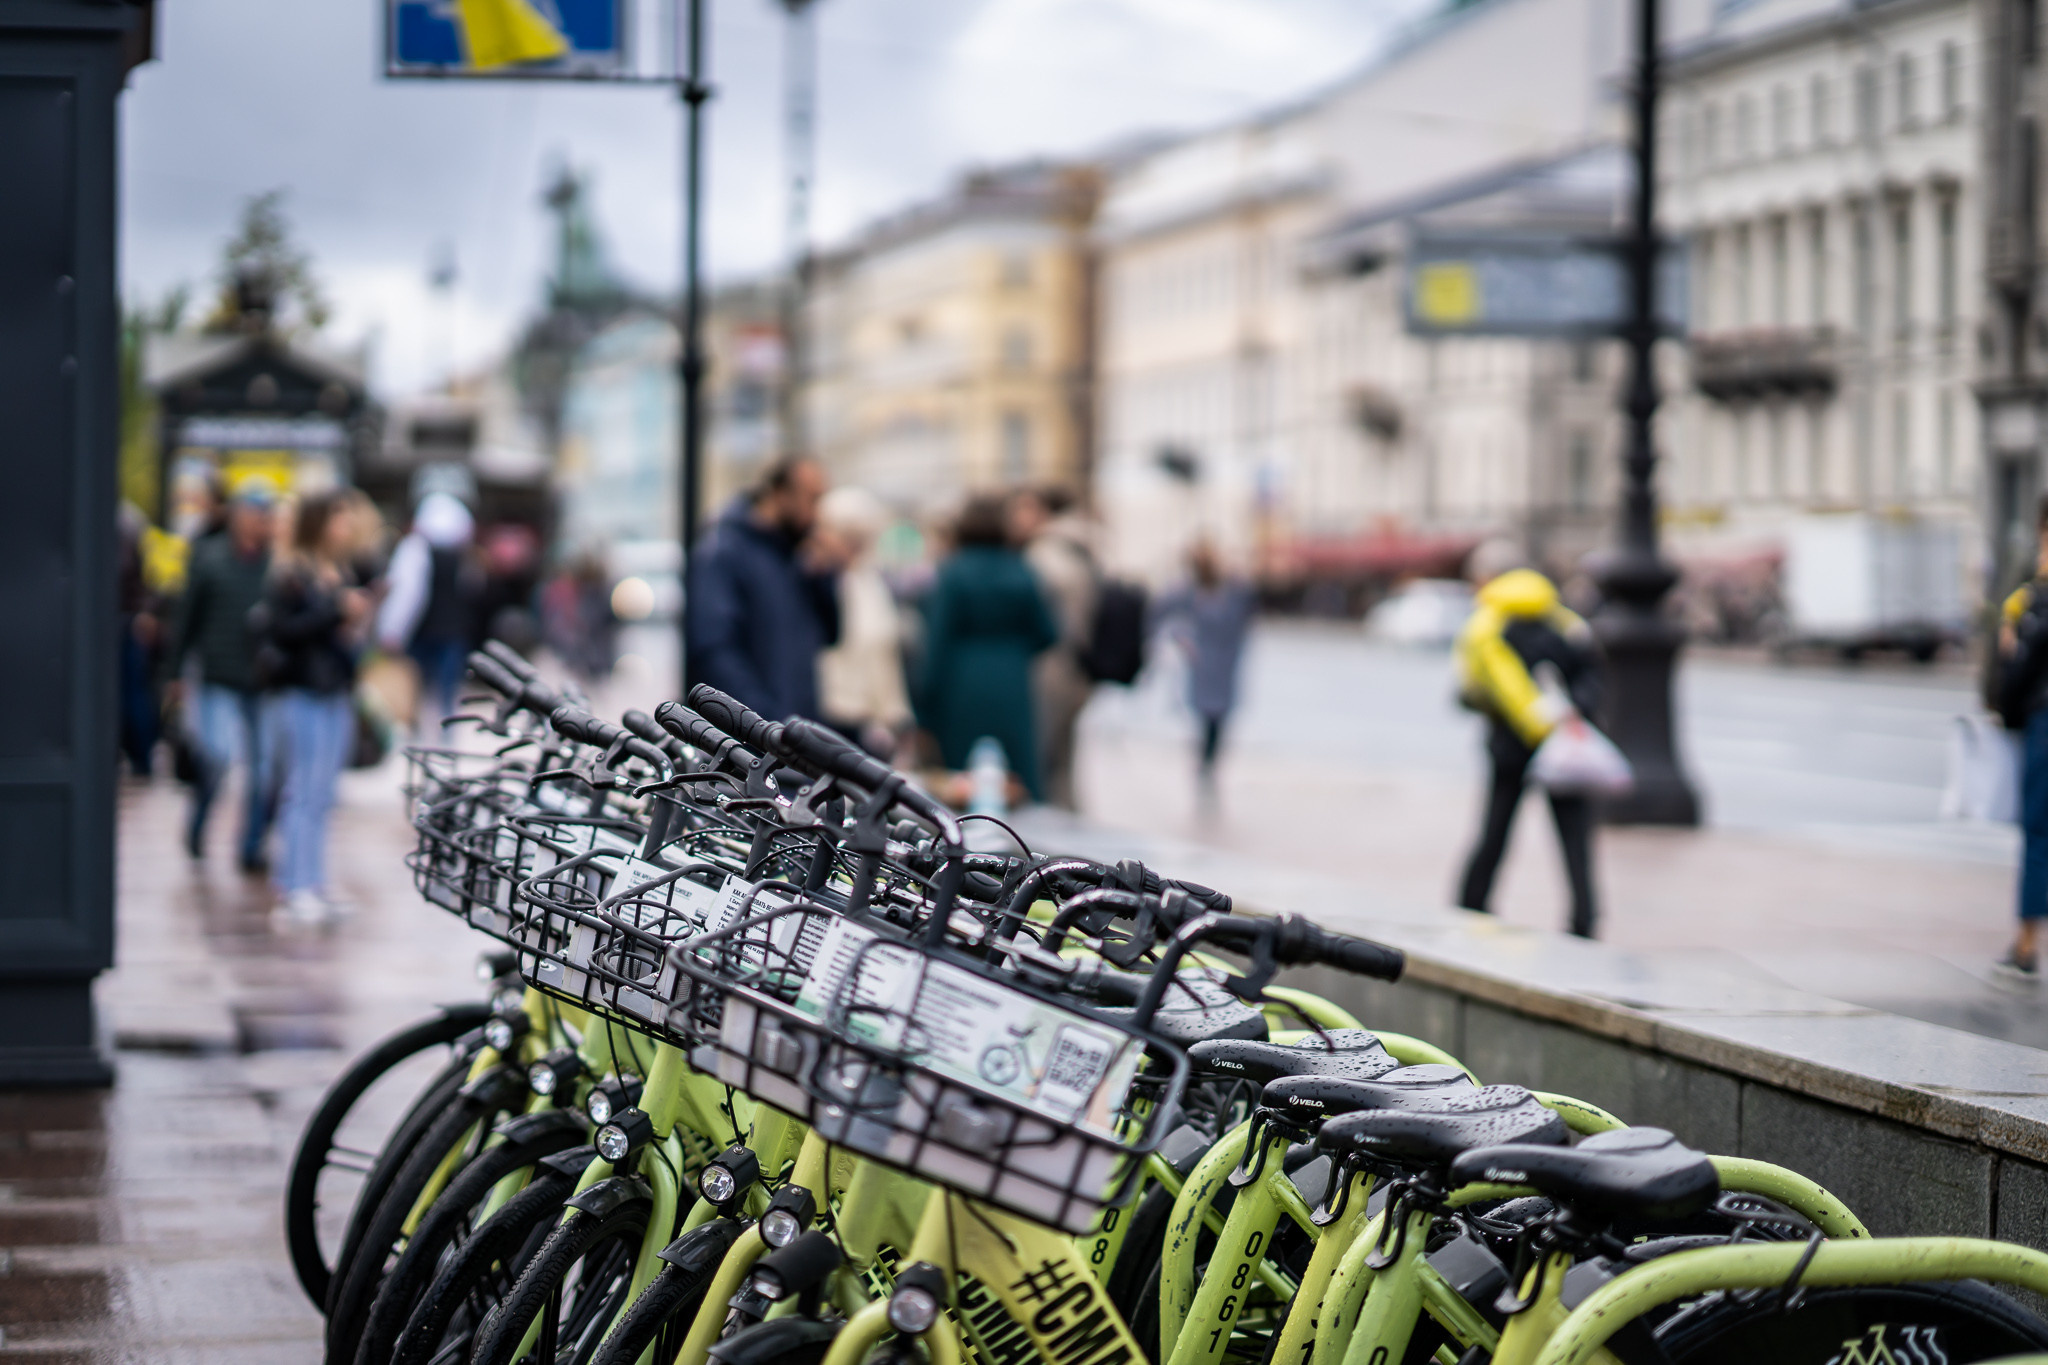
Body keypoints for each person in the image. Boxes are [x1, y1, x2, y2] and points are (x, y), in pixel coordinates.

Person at [1453, 566, 1604, 939]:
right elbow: (1593, 675)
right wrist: (1572, 714)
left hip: (1509, 746)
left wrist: (1525, 717)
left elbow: (1471, 689)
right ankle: (1584, 919)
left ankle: (1471, 905)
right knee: (1574, 836)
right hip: (1565, 745)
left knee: (1495, 830)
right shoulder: (1563, 621)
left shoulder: (1488, 627)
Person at [264, 491, 371, 925]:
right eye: (337, 520)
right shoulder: (292, 571)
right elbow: (282, 630)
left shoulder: (337, 571)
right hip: (303, 690)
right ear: (318, 523)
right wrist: (335, 610)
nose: (345, 529)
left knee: (324, 793)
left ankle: (314, 882)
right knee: (302, 790)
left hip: (335, 689)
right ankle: (293, 887)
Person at [169, 478, 281, 870]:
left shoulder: (276, 563)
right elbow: (186, 618)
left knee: (263, 770)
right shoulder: (210, 557)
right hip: (219, 674)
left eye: (265, 514)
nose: (259, 521)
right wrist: (175, 673)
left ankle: (250, 847)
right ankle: (198, 823)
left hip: (262, 681)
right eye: (254, 513)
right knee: (217, 757)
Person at [918, 493, 1059, 800]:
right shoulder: (1021, 569)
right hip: (1012, 680)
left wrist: (924, 708)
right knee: (1020, 775)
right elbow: (1048, 633)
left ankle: (960, 843)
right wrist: (1014, 651)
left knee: (960, 779)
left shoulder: (953, 572)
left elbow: (936, 640)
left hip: (961, 682)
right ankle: (1026, 845)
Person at [688, 458, 842, 721]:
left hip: (791, 733)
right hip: (753, 739)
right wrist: (762, 720)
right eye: (812, 499)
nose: (816, 515)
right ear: (781, 494)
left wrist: (824, 576)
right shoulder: (724, 550)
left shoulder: (793, 556)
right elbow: (714, 648)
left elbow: (830, 636)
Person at [1013, 487, 1099, 809]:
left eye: (1024, 509)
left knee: (1045, 758)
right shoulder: (1079, 548)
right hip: (1075, 667)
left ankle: (1052, 843)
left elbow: (1054, 621)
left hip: (1051, 668)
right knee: (1064, 761)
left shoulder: (1044, 555)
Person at [816, 487, 913, 758]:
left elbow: (885, 652)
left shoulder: (870, 583)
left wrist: (894, 714)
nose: (852, 546)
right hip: (827, 713)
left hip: (868, 718)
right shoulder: (818, 582)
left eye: (859, 538)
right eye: (846, 537)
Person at [1995, 495, 2048, 979]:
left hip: (2044, 721)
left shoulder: (2038, 599)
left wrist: (2004, 710)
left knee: (2037, 830)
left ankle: (2028, 942)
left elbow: (2020, 672)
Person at [1152, 539, 1257, 778]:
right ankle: (1205, 761)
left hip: (1224, 664)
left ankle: (1209, 761)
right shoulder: (1190, 592)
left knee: (1218, 718)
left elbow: (1248, 610)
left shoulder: (1233, 590)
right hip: (1204, 664)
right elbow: (1162, 612)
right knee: (1204, 717)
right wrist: (1182, 640)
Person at [375, 492, 479, 722]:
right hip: (450, 633)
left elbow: (406, 594)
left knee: (420, 693)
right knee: (445, 693)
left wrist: (392, 631)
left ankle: (427, 737)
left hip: (424, 632)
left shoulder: (416, 550)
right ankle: (444, 737)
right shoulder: (461, 555)